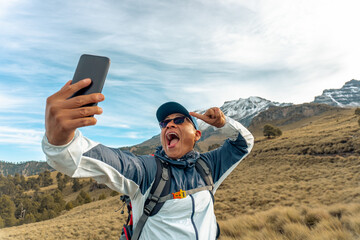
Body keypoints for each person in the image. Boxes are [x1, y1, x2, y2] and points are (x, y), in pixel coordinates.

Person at [42, 78, 254, 240]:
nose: (169, 125)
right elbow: (90, 158)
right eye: (164, 124)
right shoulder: (147, 170)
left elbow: (245, 143)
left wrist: (222, 124)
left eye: (179, 120)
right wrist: (60, 139)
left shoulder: (208, 167)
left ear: (197, 135)